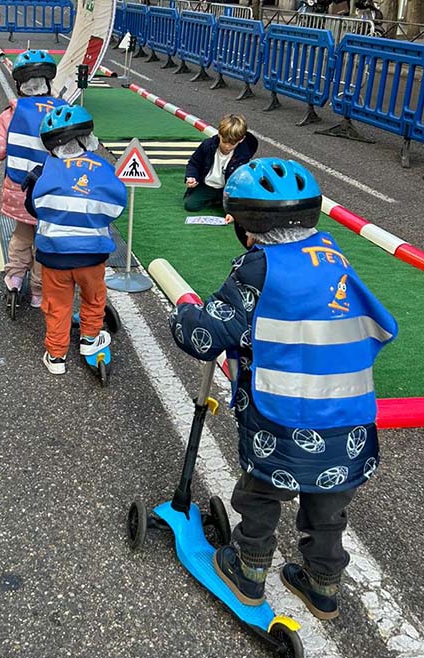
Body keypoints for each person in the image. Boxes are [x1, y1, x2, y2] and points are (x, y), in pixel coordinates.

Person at [170, 158, 397, 620]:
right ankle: (323, 584)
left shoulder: (258, 267)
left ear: (246, 225)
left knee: (261, 491)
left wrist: (184, 315)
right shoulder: (334, 255)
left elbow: (209, 336)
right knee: (328, 506)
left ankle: (248, 570)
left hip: (285, 416)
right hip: (349, 415)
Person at [23, 105, 127, 375]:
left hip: (54, 255)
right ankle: (90, 340)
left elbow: (33, 208)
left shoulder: (43, 171)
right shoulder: (103, 169)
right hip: (92, 254)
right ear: (86, 138)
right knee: (94, 298)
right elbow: (115, 208)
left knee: (57, 305)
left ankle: (56, 356)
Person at [0, 49, 67, 309]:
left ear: (20, 85)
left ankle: (15, 278)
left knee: (22, 235)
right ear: (49, 83)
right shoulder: (64, 112)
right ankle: (39, 291)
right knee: (44, 242)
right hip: (53, 194)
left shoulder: (11, 113)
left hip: (19, 193)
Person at [184, 113, 257, 212]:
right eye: (224, 141)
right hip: (208, 186)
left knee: (234, 212)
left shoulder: (243, 153)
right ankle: (215, 201)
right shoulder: (207, 145)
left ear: (241, 140)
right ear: (219, 134)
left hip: (228, 190)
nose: (227, 146)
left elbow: (242, 178)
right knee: (190, 206)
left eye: (232, 143)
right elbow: (194, 163)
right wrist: (192, 177)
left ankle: (220, 202)